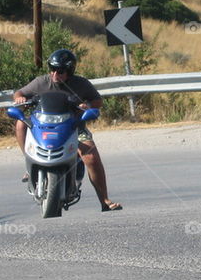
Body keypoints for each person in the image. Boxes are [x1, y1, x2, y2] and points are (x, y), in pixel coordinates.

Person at [12, 49, 122, 212]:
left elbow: (98, 100)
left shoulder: (81, 83)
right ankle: (29, 165)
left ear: (70, 71)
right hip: (43, 126)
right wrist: (19, 98)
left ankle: (104, 200)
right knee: (20, 124)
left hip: (73, 126)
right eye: (52, 69)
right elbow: (20, 92)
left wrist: (89, 106)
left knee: (91, 158)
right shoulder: (41, 82)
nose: (55, 74)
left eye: (61, 71)